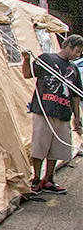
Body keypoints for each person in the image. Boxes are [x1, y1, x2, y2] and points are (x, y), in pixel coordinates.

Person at [21, 34, 83, 195]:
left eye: (80, 53)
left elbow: (76, 96)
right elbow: (28, 74)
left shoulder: (73, 69)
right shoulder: (47, 59)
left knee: (56, 150)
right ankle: (36, 179)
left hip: (63, 114)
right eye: (77, 51)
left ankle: (48, 179)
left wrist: (77, 117)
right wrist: (26, 59)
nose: (78, 55)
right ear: (67, 45)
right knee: (39, 147)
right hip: (44, 111)